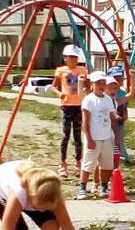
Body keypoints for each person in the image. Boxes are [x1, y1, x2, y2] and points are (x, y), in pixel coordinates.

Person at [79, 72, 120, 200]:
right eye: (98, 83)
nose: (101, 86)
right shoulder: (89, 100)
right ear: (92, 85)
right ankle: (82, 187)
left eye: (103, 83)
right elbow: (85, 121)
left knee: (107, 164)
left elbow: (112, 118)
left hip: (106, 137)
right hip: (94, 137)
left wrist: (116, 135)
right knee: (88, 164)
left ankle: (104, 186)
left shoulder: (108, 100)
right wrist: (89, 138)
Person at [54, 45, 90, 178]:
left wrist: (86, 91)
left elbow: (88, 86)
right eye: (71, 57)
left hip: (79, 106)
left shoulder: (82, 70)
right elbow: (53, 86)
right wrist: (59, 94)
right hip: (67, 106)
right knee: (66, 135)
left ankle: (78, 163)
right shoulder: (61, 71)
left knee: (78, 136)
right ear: (65, 58)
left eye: (75, 57)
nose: (73, 59)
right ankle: (62, 163)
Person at [106, 65, 130, 165]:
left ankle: (121, 155)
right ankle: (111, 155)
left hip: (120, 120)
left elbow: (124, 105)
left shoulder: (123, 92)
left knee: (119, 138)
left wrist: (125, 113)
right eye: (117, 79)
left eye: (121, 79)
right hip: (109, 121)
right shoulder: (108, 93)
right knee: (110, 138)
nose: (119, 81)